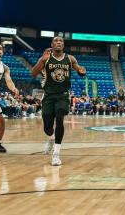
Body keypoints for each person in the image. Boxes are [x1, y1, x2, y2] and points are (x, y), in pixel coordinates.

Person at [31, 37, 86, 166]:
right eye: (56, 41)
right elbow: (33, 73)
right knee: (47, 125)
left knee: (60, 118)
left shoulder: (70, 58)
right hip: (48, 95)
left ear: (63, 45)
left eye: (61, 41)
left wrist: (82, 71)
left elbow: (79, 70)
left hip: (63, 95)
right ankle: (50, 138)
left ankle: (56, 154)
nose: (58, 42)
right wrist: (41, 60)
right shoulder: (46, 58)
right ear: (52, 44)